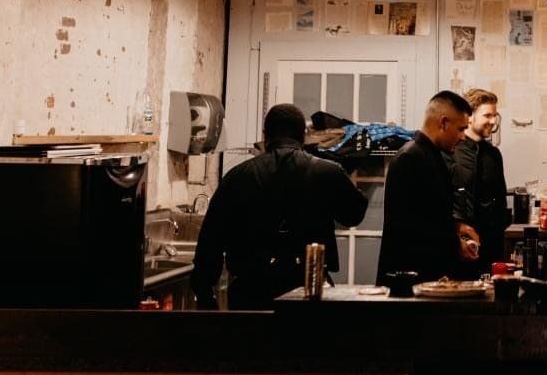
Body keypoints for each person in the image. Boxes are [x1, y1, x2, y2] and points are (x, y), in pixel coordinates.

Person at [191, 103, 368, 310]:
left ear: (265, 135)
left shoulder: (237, 176)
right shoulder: (327, 172)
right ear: (304, 135)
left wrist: (204, 294)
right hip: (309, 288)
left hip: (251, 292)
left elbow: (211, 240)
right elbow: (353, 215)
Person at [378, 91, 480, 284]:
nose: (463, 137)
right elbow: (410, 227)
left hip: (426, 275)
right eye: (460, 129)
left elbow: (432, 213)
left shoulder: (431, 156)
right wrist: (455, 244)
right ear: (444, 123)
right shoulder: (410, 158)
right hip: (409, 280)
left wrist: (457, 231)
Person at [450, 88, 508, 272]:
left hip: (491, 246)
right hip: (459, 245)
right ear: (469, 117)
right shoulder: (451, 151)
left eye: (495, 116)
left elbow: (500, 201)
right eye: (487, 115)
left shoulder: (493, 154)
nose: (493, 121)